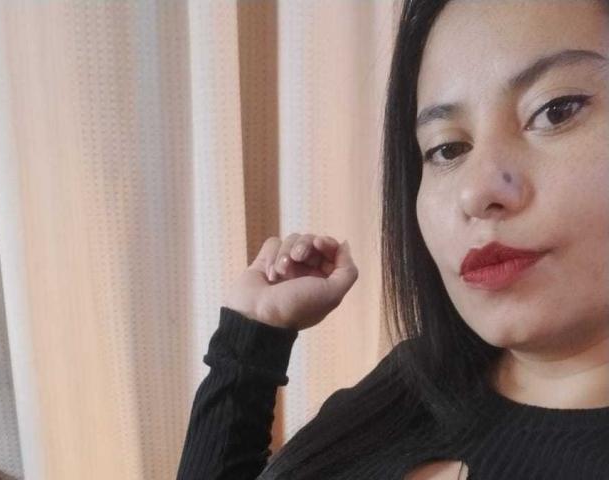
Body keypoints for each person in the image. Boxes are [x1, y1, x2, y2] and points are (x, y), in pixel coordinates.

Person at [177, 0, 609, 478]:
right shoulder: (417, 378)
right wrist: (252, 340)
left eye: (555, 112)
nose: (475, 190)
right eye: (448, 148)